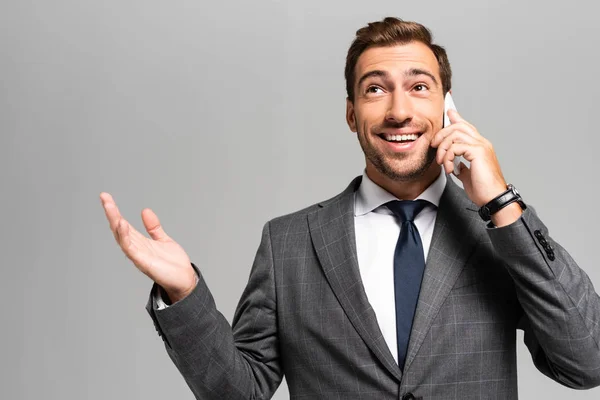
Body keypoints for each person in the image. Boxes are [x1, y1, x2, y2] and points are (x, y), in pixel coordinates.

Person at [100, 17, 600, 399]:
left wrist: (500, 202)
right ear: (351, 113)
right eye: (376, 89)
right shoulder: (288, 243)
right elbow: (241, 390)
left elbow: (586, 362)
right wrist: (183, 292)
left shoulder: (497, 234)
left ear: (447, 106)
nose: (399, 110)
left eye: (419, 87)